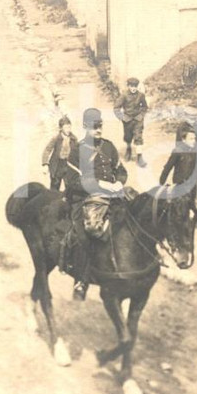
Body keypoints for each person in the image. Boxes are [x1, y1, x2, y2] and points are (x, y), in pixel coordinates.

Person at [65, 108, 128, 301]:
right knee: (88, 232)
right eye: (94, 126)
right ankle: (81, 281)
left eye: (100, 125)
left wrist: (119, 182)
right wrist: (99, 185)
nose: (98, 129)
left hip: (112, 195)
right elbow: (73, 182)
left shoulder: (109, 147)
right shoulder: (77, 150)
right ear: (85, 127)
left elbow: (121, 170)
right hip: (86, 199)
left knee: (135, 217)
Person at [114, 77, 148, 167]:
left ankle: (140, 157)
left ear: (137, 87)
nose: (133, 88)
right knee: (128, 137)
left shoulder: (141, 95)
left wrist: (141, 116)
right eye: (131, 86)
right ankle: (128, 149)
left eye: (135, 86)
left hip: (137, 120)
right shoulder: (124, 95)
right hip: (127, 120)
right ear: (128, 86)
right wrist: (122, 117)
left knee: (138, 137)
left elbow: (144, 107)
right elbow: (116, 108)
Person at [159, 123, 197, 194]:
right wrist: (161, 182)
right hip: (179, 183)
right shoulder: (178, 151)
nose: (194, 141)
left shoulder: (196, 151)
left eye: (194, 139)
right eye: (191, 139)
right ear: (183, 140)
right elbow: (168, 167)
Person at [41, 116, 77, 192]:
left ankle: (68, 202)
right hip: (57, 166)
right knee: (54, 187)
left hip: (68, 165)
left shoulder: (73, 139)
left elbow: (77, 152)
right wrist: (45, 164)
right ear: (61, 128)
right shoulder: (56, 138)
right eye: (66, 127)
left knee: (70, 187)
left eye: (69, 127)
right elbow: (47, 150)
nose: (68, 130)